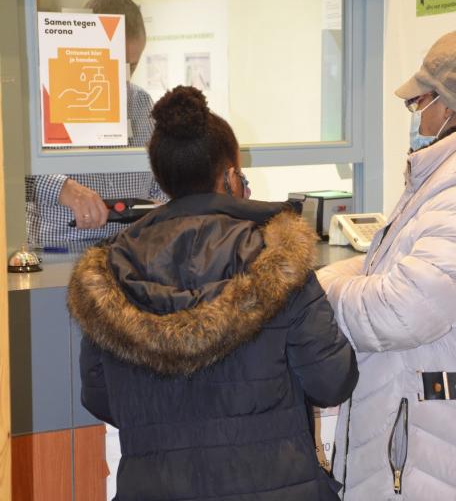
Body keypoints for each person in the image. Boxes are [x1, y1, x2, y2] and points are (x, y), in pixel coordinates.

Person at [68, 85, 358, 501]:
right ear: (230, 177)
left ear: (162, 180)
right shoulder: (278, 260)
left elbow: (99, 397)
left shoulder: (110, 271)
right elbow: (332, 381)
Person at [317, 31, 456, 500]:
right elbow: (386, 267)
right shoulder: (436, 180)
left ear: (449, 105)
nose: (417, 115)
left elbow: (404, 308)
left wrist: (319, 296)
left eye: (420, 101)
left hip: (423, 440)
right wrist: (330, 279)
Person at [26, 0, 166, 248]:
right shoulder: (39, 100)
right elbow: (13, 176)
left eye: (132, 66)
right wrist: (63, 188)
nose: (123, 78)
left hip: (129, 255)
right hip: (59, 254)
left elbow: (160, 181)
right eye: (115, 63)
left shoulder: (141, 102)